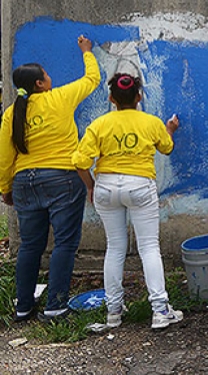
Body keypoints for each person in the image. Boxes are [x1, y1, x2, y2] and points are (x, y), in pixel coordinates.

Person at [0, 35, 101, 322]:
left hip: (24, 183)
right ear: (41, 84)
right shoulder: (60, 97)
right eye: (46, 74)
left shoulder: (11, 114)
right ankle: (55, 305)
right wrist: (86, 51)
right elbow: (92, 79)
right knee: (65, 244)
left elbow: (5, 157)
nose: (49, 76)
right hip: (62, 179)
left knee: (30, 245)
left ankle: (23, 306)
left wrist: (6, 188)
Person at [72, 73, 183, 329]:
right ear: (139, 96)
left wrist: (91, 186)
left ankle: (113, 311)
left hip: (106, 187)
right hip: (139, 185)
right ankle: (159, 309)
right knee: (149, 248)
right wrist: (169, 129)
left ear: (111, 98)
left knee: (115, 247)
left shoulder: (99, 124)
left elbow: (79, 162)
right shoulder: (150, 122)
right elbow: (166, 148)